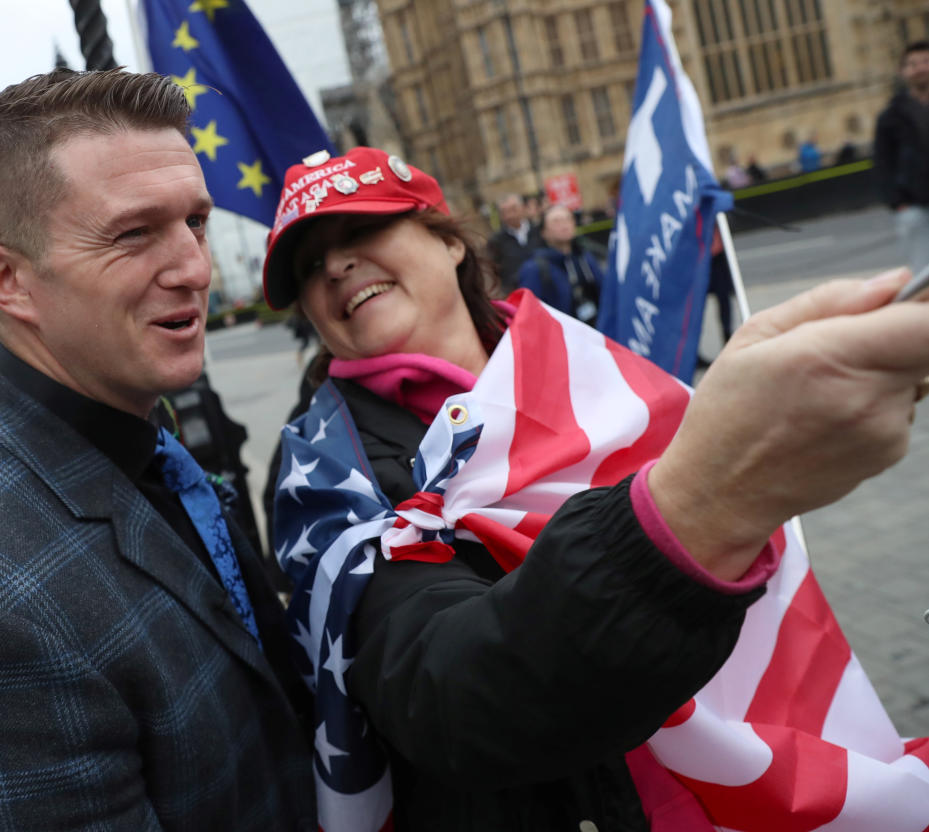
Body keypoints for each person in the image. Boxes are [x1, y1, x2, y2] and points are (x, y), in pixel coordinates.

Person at [260, 146, 929, 830]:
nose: (334, 266)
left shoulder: (584, 355)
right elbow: (445, 696)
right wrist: (706, 503)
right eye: (309, 266)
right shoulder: (322, 470)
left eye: (359, 232)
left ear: (446, 241)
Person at [0, 69, 315, 830]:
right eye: (133, 233)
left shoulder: (129, 427)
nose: (194, 269)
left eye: (195, 223)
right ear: (8, 280)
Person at [875, 40, 929, 275]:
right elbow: (883, 163)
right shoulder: (890, 116)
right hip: (914, 206)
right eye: (912, 64)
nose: (920, 68)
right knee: (922, 273)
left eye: (926, 61)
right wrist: (898, 203)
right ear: (902, 71)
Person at [515, 202, 603, 326]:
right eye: (556, 221)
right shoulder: (534, 269)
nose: (564, 224)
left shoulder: (585, 257)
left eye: (568, 219)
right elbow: (529, 316)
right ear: (544, 232)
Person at [486, 193, 542, 294]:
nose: (510, 215)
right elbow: (495, 271)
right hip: (519, 293)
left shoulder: (539, 231)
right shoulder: (496, 241)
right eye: (504, 212)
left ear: (523, 208)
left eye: (513, 209)